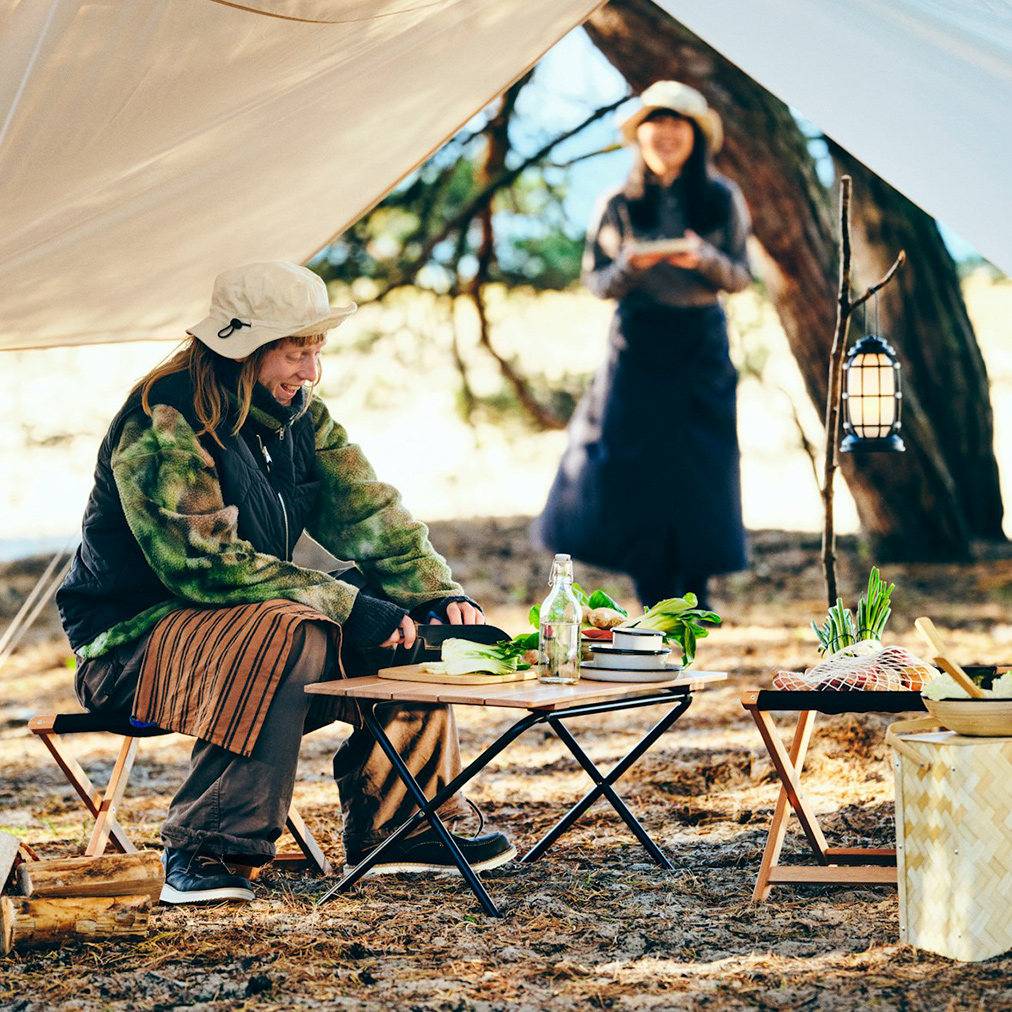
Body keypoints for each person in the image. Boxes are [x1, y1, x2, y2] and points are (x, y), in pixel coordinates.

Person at [57, 261, 515, 904]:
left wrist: (437, 593)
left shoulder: (304, 415)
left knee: (417, 632)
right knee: (295, 629)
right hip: (131, 649)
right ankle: (207, 844)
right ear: (242, 349)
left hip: (244, 632)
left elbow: (371, 515)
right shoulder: (164, 419)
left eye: (317, 350)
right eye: (296, 352)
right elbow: (202, 563)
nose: (311, 371)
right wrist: (349, 607)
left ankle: (402, 825)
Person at [535, 81, 752, 611]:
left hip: (701, 344)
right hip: (636, 346)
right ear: (641, 136)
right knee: (634, 469)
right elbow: (597, 282)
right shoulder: (617, 202)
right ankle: (650, 596)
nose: (667, 133)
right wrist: (631, 265)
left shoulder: (721, 197)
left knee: (698, 469)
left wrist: (701, 259)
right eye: (656, 123)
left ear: (697, 135)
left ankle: (695, 598)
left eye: (678, 123)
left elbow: (741, 276)